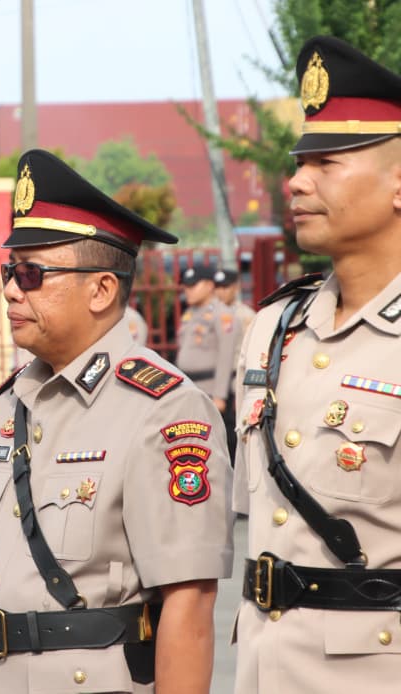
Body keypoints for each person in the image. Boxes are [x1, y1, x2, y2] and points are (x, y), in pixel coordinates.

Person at [0, 150, 233, 693]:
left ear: (102, 289)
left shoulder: (161, 408)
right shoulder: (5, 404)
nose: (12, 289)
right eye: (9, 271)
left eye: (33, 273)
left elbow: (189, 606)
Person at [234, 35, 401, 693]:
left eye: (327, 163)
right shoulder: (272, 329)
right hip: (261, 669)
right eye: (300, 162)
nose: (297, 181)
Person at [177, 262, 238, 454]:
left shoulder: (222, 315)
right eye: (186, 285)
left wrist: (219, 395)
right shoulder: (190, 314)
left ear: (210, 286)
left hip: (211, 390)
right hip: (192, 389)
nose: (187, 290)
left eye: (193, 285)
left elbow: (225, 356)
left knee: (218, 447)